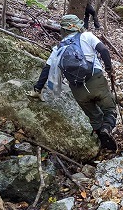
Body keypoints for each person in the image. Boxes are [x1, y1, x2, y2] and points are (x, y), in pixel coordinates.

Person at [27, 14, 117, 150]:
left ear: (64, 30)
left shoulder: (58, 49)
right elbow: (103, 50)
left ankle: (101, 142)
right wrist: (109, 69)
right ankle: (106, 129)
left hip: (77, 89)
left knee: (94, 116)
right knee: (109, 109)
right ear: (78, 27)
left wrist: (37, 89)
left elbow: (47, 70)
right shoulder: (87, 36)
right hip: (96, 81)